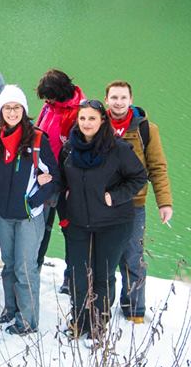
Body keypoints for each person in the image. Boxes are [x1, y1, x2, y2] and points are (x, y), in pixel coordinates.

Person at [59, 100, 147, 340]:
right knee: (78, 273)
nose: (86, 123)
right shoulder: (69, 149)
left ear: (102, 121)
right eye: (83, 118)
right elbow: (62, 180)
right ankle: (78, 321)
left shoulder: (118, 149)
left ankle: (98, 324)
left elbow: (139, 177)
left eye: (92, 118)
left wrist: (115, 196)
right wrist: (65, 202)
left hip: (113, 223)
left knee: (102, 274)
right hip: (78, 222)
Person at [0, 85, 59, 335]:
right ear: (1, 111)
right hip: (2, 213)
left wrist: (34, 200)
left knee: (25, 267)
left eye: (16, 107)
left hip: (29, 216)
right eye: (7, 107)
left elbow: (54, 177)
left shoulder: (38, 139)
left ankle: (28, 320)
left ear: (24, 110)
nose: (11, 112)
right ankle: (11, 308)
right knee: (8, 264)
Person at [105, 81, 173, 324]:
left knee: (133, 257)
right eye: (114, 97)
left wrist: (164, 202)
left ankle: (134, 310)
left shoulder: (146, 129)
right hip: (105, 203)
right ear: (107, 100)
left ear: (131, 100)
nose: (119, 102)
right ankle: (101, 307)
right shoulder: (98, 124)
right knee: (103, 258)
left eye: (123, 97)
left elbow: (157, 166)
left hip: (134, 203)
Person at [34, 68, 86, 272]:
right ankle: (35, 264)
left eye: (50, 97)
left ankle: (72, 275)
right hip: (44, 176)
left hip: (66, 181)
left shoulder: (79, 112)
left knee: (70, 230)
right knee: (42, 225)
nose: (47, 101)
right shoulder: (50, 107)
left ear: (61, 92)